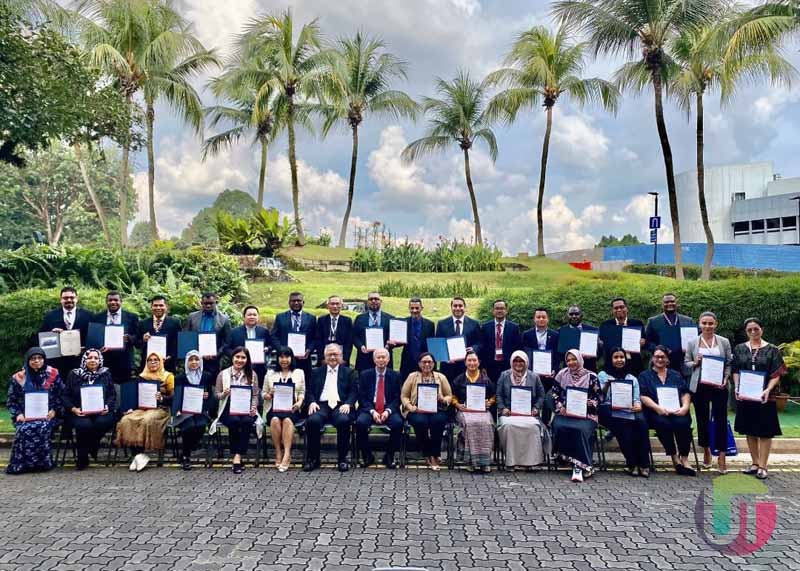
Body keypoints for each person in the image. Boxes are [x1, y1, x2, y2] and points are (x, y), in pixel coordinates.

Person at [732, 318, 786, 480]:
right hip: (746, 396)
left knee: (765, 431)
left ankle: (763, 466)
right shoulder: (740, 349)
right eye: (750, 330)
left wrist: (768, 389)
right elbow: (735, 369)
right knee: (749, 430)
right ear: (746, 332)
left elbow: (777, 373)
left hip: (765, 397)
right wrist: (736, 386)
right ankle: (754, 463)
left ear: (762, 329)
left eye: (756, 329)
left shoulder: (772, 350)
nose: (753, 332)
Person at [683, 312, 733, 473]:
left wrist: (726, 378)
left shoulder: (724, 342)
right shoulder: (692, 342)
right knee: (702, 420)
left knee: (720, 420)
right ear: (699, 324)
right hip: (700, 386)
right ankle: (706, 451)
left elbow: (729, 363)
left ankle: (722, 456)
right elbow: (686, 364)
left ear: (716, 324)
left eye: (710, 323)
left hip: (719, 386)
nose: (707, 326)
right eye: (704, 323)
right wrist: (695, 362)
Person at [639, 345, 696, 476]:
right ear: (652, 359)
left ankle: (685, 459)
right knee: (663, 423)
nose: (660, 359)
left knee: (683, 423)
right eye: (657, 356)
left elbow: (685, 392)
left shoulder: (675, 374)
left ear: (667, 359)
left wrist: (685, 407)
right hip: (656, 411)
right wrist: (657, 407)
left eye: (663, 357)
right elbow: (643, 396)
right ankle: (675, 458)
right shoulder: (645, 376)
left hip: (677, 410)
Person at [5, 348, 64, 474]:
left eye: (39, 358)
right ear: (28, 360)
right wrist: (19, 414)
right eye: (33, 359)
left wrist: (54, 410)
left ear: (44, 360)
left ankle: (42, 464)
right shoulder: (19, 377)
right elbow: (11, 400)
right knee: (23, 429)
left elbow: (62, 395)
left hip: (48, 415)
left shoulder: (53, 374)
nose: (36, 361)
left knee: (42, 427)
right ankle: (21, 465)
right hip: (25, 416)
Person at [115, 352, 174, 472]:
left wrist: (162, 398)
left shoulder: (168, 376)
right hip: (141, 408)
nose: (153, 362)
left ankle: (140, 454)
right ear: (146, 363)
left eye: (156, 360)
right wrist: (130, 407)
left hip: (161, 409)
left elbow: (173, 397)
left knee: (147, 419)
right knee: (127, 419)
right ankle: (138, 455)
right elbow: (136, 395)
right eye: (150, 360)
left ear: (161, 362)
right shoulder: (141, 376)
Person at [598, 348, 651, 477]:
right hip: (608, 408)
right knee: (622, 423)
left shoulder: (631, 377)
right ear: (610, 359)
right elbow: (599, 398)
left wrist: (638, 405)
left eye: (621, 357)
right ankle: (632, 463)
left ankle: (644, 464)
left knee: (642, 422)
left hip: (628, 408)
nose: (619, 360)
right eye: (615, 357)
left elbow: (636, 399)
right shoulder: (603, 375)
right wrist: (606, 386)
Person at [305, 344, 357, 472]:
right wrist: (311, 402)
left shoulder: (350, 372)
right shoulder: (317, 372)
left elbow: (354, 392)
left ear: (341, 356)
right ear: (325, 356)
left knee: (344, 421)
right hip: (321, 405)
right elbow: (309, 391)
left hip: (341, 405)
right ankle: (314, 459)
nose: (333, 357)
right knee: (312, 421)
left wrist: (348, 403)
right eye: (330, 354)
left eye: (335, 354)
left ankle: (342, 459)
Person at [552, 349, 602, 482]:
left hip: (586, 415)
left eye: (574, 359)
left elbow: (599, 397)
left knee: (579, 430)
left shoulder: (592, 377)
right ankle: (566, 459)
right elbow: (554, 394)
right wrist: (560, 406)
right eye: (568, 360)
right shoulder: (561, 375)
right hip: (566, 413)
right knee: (558, 425)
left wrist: (590, 403)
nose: (571, 362)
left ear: (580, 360)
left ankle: (580, 466)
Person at [62, 349, 116, 470]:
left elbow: (112, 394)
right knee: (84, 425)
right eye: (90, 357)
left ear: (100, 360)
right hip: (79, 412)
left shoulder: (105, 373)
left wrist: (107, 406)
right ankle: (82, 458)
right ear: (84, 360)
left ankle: (91, 447)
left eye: (96, 358)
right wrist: (74, 409)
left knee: (101, 422)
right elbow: (65, 396)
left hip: (102, 412)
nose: (93, 360)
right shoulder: (74, 374)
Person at [401, 352, 453, 471]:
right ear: (419, 364)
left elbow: (449, 395)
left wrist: (443, 399)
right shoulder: (412, 376)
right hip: (417, 409)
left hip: (437, 409)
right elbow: (404, 396)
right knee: (420, 422)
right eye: (424, 362)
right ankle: (427, 453)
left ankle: (435, 454)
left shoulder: (441, 377)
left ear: (434, 364)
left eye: (430, 362)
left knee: (438, 421)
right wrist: (411, 407)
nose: (427, 364)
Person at [211, 346, 259, 474]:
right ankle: (238, 456)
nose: (240, 360)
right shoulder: (223, 374)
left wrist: (253, 407)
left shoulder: (252, 375)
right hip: (227, 408)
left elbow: (255, 395)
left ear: (247, 360)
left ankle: (237, 456)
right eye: (237, 357)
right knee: (234, 421)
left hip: (246, 407)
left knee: (247, 421)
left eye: (243, 357)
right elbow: (216, 394)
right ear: (232, 358)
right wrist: (224, 394)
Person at [496, 350, 546, 471]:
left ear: (526, 362)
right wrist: (503, 409)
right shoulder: (504, 375)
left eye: (521, 361)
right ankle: (512, 461)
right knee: (508, 427)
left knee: (533, 428)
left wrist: (536, 408)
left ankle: (531, 462)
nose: (518, 363)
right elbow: (498, 395)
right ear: (511, 362)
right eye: (515, 360)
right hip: (509, 414)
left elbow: (541, 395)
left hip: (528, 414)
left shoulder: (534, 377)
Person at [355, 348, 403, 469]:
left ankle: (389, 455)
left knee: (398, 423)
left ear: (388, 359)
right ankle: (367, 455)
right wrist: (372, 411)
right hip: (370, 408)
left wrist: (388, 411)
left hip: (388, 408)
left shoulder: (395, 375)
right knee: (360, 423)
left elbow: (398, 398)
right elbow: (362, 397)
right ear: (374, 359)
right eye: (378, 357)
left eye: (384, 357)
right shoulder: (365, 375)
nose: (381, 360)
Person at [451, 351, 495, 472]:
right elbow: (452, 396)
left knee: (487, 424)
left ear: (479, 362)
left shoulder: (485, 378)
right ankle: (470, 460)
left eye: (474, 360)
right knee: (470, 424)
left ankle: (485, 462)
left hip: (482, 411)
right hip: (465, 411)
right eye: (469, 360)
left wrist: (489, 403)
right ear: (465, 362)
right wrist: (457, 405)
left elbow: (494, 395)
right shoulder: (459, 379)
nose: (472, 363)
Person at [262, 346, 305, 472]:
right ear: (277, 358)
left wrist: (300, 402)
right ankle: (278, 453)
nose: (284, 360)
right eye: (281, 357)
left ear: (291, 358)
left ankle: (287, 454)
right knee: (275, 420)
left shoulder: (299, 373)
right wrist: (269, 394)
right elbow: (263, 393)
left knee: (287, 420)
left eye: (287, 356)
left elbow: (302, 392)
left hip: (292, 408)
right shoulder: (270, 374)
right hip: (274, 408)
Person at [39, 286, 93, 381]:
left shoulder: (88, 315)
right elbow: (42, 338)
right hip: (58, 363)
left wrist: (85, 349)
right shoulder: (50, 316)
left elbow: (93, 338)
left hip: (79, 361)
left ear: (76, 299)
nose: (69, 300)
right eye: (65, 298)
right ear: (61, 300)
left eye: (72, 298)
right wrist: (52, 334)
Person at [173, 350, 216, 470]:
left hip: (201, 410)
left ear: (200, 361)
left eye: (196, 359)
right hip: (184, 410)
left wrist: (206, 397)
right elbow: (177, 396)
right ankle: (186, 456)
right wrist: (177, 410)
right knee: (189, 426)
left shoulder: (206, 376)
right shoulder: (180, 377)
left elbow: (210, 397)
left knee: (201, 426)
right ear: (187, 362)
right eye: (191, 360)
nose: (194, 362)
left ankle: (186, 451)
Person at [89, 291, 139, 384]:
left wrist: (129, 338)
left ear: (121, 301)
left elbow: (138, 339)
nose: (113, 302)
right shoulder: (97, 317)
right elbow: (94, 338)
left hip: (124, 362)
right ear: (106, 302)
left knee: (124, 393)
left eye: (116, 300)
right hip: (104, 361)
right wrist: (98, 347)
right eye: (110, 300)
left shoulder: (132, 317)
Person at [521, 307, 559, 422]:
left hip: (548, 375)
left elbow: (557, 356)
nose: (541, 319)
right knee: (532, 397)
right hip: (532, 373)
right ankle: (531, 421)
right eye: (538, 317)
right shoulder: (527, 334)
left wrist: (554, 370)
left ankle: (545, 423)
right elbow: (524, 354)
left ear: (548, 319)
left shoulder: (555, 335)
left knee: (547, 399)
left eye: (544, 317)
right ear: (534, 319)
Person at [185, 292, 232, 380]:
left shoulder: (224, 319)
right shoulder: (192, 317)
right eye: (205, 303)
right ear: (201, 303)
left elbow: (227, 341)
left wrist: (216, 354)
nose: (208, 306)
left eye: (211, 303)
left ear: (216, 302)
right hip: (194, 359)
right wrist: (195, 353)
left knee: (212, 385)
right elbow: (187, 337)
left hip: (214, 361)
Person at [272, 292, 317, 380]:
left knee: (304, 383)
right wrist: (281, 350)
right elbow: (274, 336)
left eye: (299, 300)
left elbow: (315, 337)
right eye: (293, 301)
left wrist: (309, 350)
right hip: (284, 360)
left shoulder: (311, 318)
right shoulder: (280, 317)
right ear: (289, 303)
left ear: (303, 302)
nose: (296, 303)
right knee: (283, 382)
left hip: (304, 359)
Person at [645, 293, 695, 372]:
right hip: (660, 363)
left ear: (677, 303)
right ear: (662, 304)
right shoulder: (653, 321)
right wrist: (660, 350)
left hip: (683, 364)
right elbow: (647, 343)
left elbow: (695, 340)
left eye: (672, 301)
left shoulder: (688, 321)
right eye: (666, 302)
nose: (669, 304)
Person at [436, 297, 482, 382]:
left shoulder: (474, 324)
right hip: (448, 366)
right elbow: (438, 344)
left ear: (464, 307)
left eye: (460, 306)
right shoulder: (442, 324)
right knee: (448, 392)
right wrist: (445, 358)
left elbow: (480, 342)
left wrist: (473, 348)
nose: (458, 308)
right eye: (455, 306)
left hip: (467, 366)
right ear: (451, 308)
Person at [598, 298, 645, 377]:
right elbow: (601, 347)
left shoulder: (637, 324)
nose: (619, 310)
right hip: (612, 367)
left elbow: (645, 344)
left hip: (634, 365)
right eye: (616, 308)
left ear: (627, 308)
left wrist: (643, 343)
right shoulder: (605, 326)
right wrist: (599, 344)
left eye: (622, 307)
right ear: (612, 311)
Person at [226, 305, 274, 382]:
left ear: (258, 317)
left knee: (258, 390)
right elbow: (227, 348)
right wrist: (237, 356)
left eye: (254, 315)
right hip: (239, 367)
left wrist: (267, 349)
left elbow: (271, 345)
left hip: (259, 368)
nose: (252, 317)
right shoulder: (234, 332)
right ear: (244, 317)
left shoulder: (264, 331)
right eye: (249, 315)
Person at [480, 299, 522, 382]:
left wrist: (516, 367)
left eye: (502, 308)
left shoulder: (514, 328)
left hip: (507, 366)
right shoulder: (485, 327)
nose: (499, 310)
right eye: (497, 308)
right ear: (493, 311)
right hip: (490, 366)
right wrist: (483, 367)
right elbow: (482, 348)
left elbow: (517, 348)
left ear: (506, 311)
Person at [394, 297, 435, 380]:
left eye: (417, 308)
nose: (414, 310)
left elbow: (432, 344)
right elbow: (398, 341)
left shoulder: (429, 324)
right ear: (409, 308)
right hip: (407, 361)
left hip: (424, 362)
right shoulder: (403, 323)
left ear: (422, 308)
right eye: (412, 308)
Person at [138, 295, 181, 373]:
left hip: (167, 365)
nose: (158, 308)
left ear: (166, 307)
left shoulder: (175, 323)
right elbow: (137, 344)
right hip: (147, 366)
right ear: (151, 307)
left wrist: (170, 356)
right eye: (155, 305)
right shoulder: (143, 323)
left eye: (161, 305)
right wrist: (143, 339)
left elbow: (179, 343)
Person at [353, 291, 394, 372]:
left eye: (376, 299)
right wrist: (361, 347)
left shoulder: (390, 318)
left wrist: (388, 346)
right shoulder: (359, 318)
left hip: (383, 358)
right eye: (371, 299)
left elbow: (393, 338)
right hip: (364, 358)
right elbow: (354, 336)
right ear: (367, 302)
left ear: (381, 301)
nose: (373, 301)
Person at [556, 305, 598, 372]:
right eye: (571, 314)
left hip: (588, 369)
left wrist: (596, 351)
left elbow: (599, 353)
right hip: (569, 371)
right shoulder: (560, 331)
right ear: (567, 315)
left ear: (581, 315)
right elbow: (558, 354)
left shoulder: (593, 331)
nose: (574, 316)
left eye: (577, 314)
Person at [315, 295, 353, 366]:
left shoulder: (347, 321)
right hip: (325, 354)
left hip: (341, 355)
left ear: (341, 305)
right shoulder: (321, 320)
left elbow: (349, 342)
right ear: (328, 306)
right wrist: (322, 358)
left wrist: (345, 359)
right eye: (332, 304)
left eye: (337, 304)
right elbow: (318, 340)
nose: (335, 306)